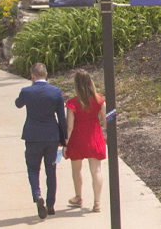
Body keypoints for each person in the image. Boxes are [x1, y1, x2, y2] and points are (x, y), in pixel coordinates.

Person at [15, 62, 68, 220]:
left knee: (33, 169)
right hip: (51, 137)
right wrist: (64, 139)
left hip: (32, 136)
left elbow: (18, 104)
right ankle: (51, 204)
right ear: (46, 74)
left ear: (33, 75)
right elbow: (62, 117)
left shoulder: (27, 91)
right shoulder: (56, 92)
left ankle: (37, 195)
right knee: (51, 171)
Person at [64, 69, 106, 213]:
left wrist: (65, 144)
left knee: (76, 169)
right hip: (95, 138)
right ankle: (97, 202)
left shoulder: (72, 103)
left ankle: (78, 197)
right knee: (96, 171)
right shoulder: (99, 100)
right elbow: (107, 122)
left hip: (77, 140)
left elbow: (69, 126)